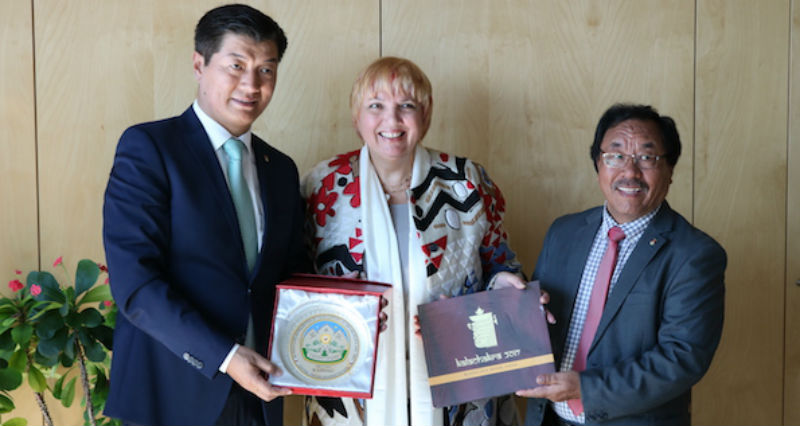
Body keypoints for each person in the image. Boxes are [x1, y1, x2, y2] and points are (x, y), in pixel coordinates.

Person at [102, 4, 305, 425]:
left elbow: (291, 277)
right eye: (236, 65)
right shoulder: (150, 149)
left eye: (266, 70)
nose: (251, 84)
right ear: (199, 64)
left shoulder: (280, 169)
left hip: (261, 397)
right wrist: (227, 358)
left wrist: (351, 319)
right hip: (172, 394)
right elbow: (136, 285)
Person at [302, 57, 526, 426]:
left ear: (426, 114)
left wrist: (507, 284)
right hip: (351, 382)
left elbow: (499, 263)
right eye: (376, 106)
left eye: (407, 106)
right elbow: (298, 280)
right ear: (357, 116)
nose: (392, 121)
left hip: (457, 377)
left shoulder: (466, 181)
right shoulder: (322, 186)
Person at [518, 104, 726, 426]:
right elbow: (533, 318)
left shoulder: (695, 255)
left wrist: (587, 389)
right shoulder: (564, 232)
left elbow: (681, 359)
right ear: (598, 164)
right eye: (615, 156)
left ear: (670, 170)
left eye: (647, 157)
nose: (630, 172)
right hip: (551, 418)